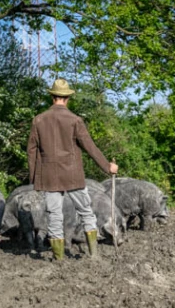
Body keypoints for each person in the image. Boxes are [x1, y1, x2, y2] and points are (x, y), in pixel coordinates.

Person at [28, 78, 118, 260]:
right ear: (67, 97)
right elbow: (90, 146)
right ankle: (94, 255)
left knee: (54, 215)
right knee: (86, 212)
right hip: (73, 175)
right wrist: (108, 167)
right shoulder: (75, 120)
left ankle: (58, 258)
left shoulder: (38, 120)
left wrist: (34, 178)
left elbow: (31, 151)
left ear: (52, 97)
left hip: (49, 176)